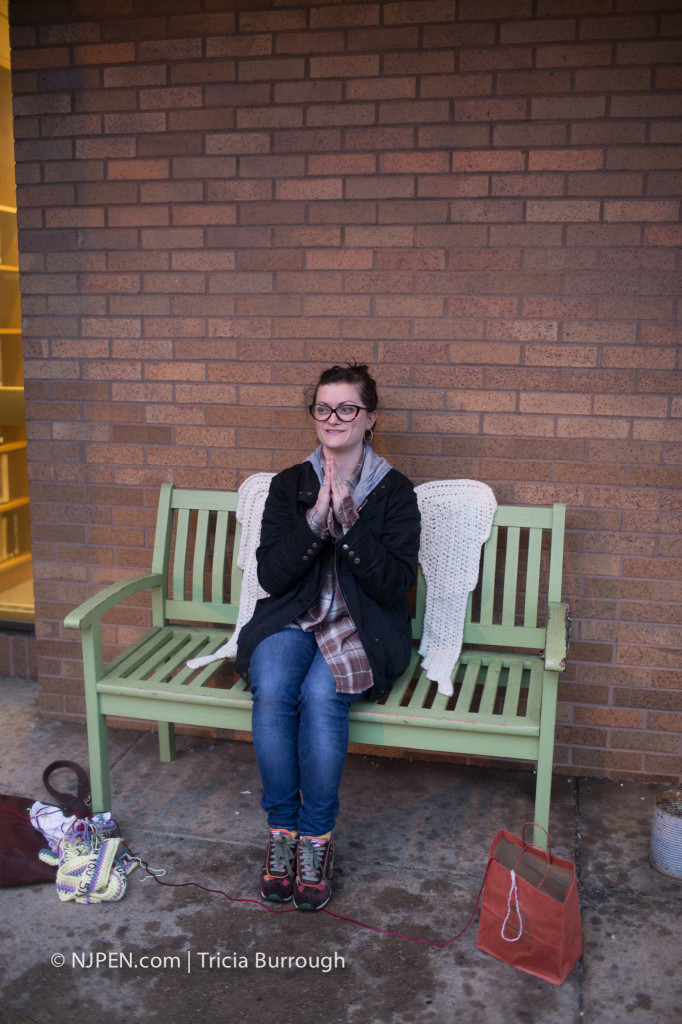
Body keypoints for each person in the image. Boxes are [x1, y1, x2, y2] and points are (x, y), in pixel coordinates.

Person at [235, 363, 421, 911]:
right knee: (273, 688)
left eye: (347, 408)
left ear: (370, 419)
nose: (333, 418)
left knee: (321, 697)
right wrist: (315, 522)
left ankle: (316, 840)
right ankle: (281, 834)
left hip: (359, 624)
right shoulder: (288, 485)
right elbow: (270, 576)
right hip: (294, 616)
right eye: (323, 407)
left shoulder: (395, 492)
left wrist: (351, 523)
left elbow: (395, 585)